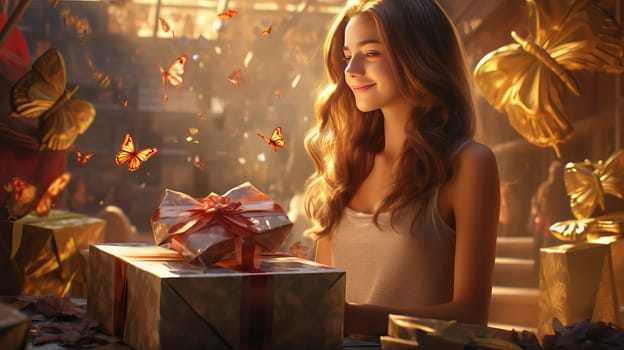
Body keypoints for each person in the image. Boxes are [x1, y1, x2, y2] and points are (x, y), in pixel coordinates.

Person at [303, 0, 500, 338]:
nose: (351, 70)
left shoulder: (469, 165)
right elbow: (326, 293)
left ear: (421, 56)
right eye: (348, 55)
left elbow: (470, 316)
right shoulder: (345, 165)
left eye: (372, 53)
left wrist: (349, 318)